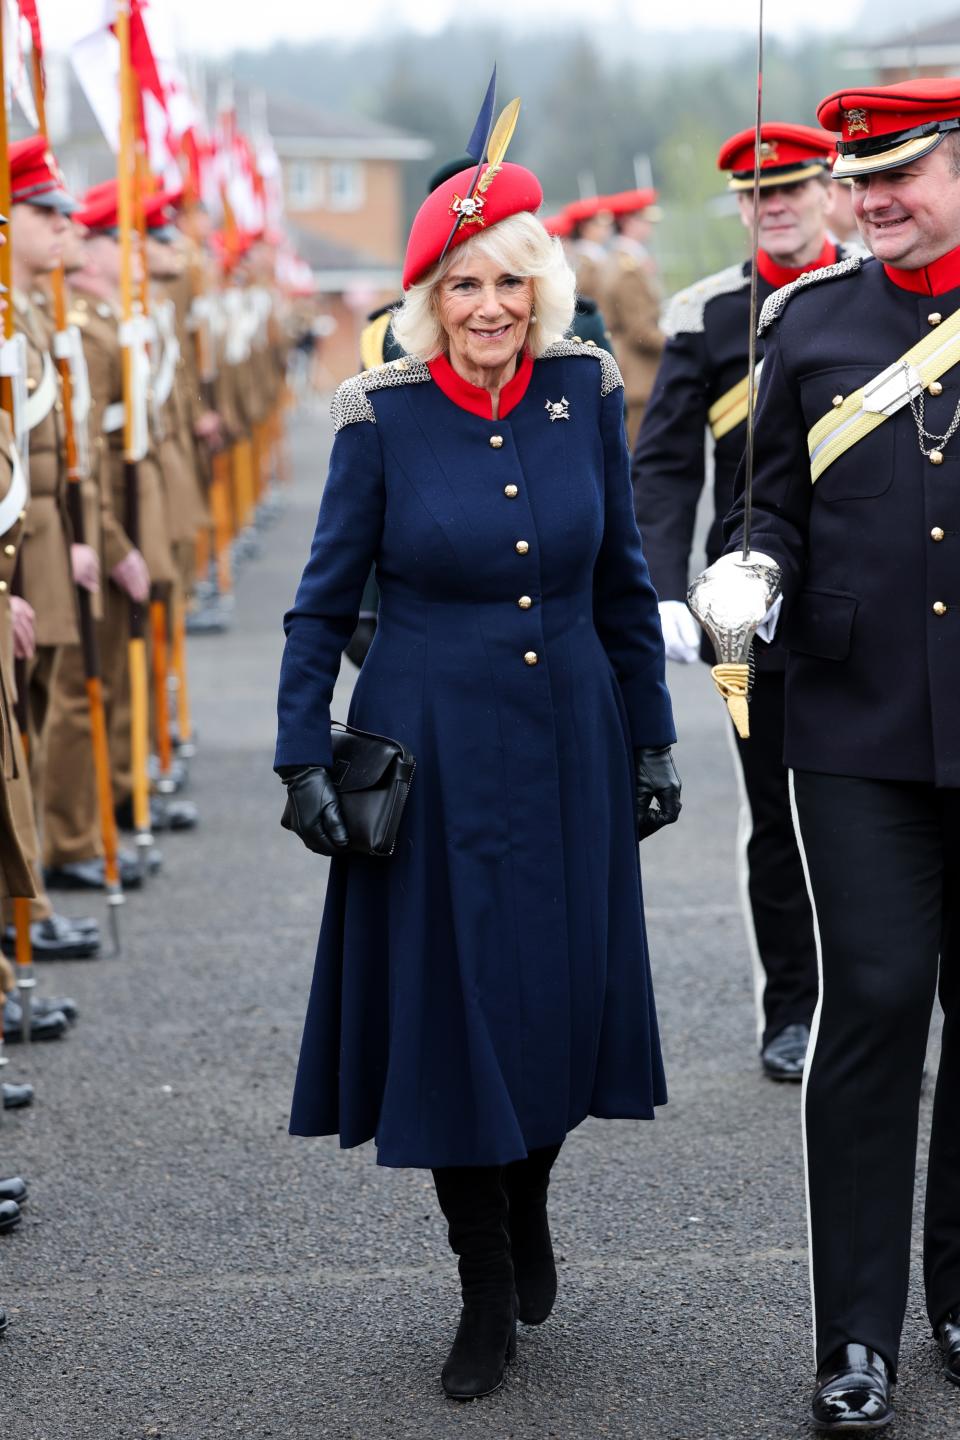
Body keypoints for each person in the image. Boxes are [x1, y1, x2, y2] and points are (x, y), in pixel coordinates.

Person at [275, 131, 681, 1400]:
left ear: (541, 287)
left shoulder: (586, 393)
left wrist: (654, 733)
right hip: (431, 753)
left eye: (509, 281)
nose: (489, 307)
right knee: (456, 1017)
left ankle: (530, 1195)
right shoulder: (380, 416)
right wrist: (300, 758)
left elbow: (622, 580)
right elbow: (316, 605)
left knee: (560, 1000)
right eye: (462, 285)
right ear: (427, 302)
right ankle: (485, 1281)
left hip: (572, 733)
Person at [706, 78, 960, 1431]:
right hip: (853, 722)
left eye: (899, 174)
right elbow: (772, 512)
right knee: (871, 1004)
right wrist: (749, 565)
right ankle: (855, 1336)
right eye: (859, 179)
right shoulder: (810, 324)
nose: (870, 201)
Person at [633, 123, 845, 1082]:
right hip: (742, 607)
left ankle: (872, 1008)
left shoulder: (871, 298)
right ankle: (794, 1010)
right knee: (779, 814)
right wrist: (658, 589)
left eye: (792, 188)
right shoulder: (706, 313)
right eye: (759, 195)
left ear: (825, 190)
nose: (777, 206)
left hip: (869, 593)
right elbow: (667, 467)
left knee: (885, 814)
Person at [601, 187, 665, 448]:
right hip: (638, 373)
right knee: (641, 457)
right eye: (644, 220)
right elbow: (640, 330)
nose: (649, 227)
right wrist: (680, 345)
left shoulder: (622, 260)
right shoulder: (628, 268)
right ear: (628, 222)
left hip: (632, 368)